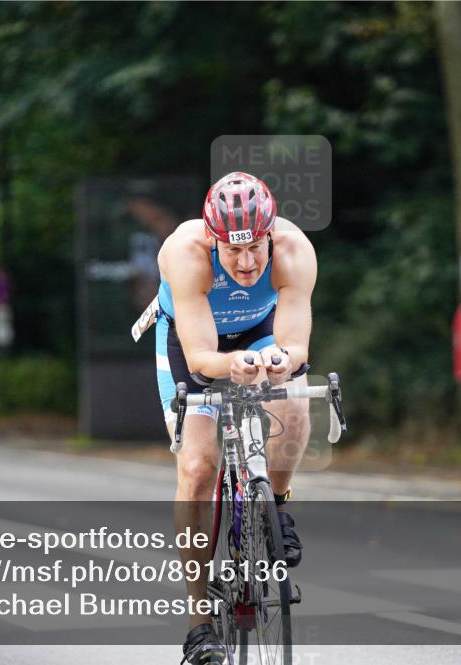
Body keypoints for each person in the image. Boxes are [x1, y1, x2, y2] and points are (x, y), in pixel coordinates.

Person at [141, 172, 316, 664]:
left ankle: (277, 508)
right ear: (213, 238)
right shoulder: (184, 252)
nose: (245, 262)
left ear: (270, 236)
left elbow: (296, 344)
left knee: (296, 398)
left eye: (255, 249)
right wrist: (231, 366)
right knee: (198, 469)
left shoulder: (293, 249)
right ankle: (199, 622)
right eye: (232, 250)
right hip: (192, 340)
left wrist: (282, 360)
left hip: (260, 330)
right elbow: (200, 358)